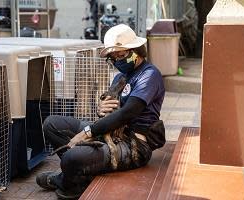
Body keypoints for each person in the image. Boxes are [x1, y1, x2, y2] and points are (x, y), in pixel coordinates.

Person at [36, 24, 166, 199]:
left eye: (121, 55)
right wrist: (100, 109)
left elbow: (127, 113)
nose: (118, 60)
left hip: (133, 144)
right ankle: (77, 176)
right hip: (109, 133)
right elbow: (110, 113)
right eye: (113, 57)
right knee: (51, 124)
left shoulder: (150, 75)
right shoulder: (120, 77)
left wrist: (87, 132)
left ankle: (67, 182)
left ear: (136, 50)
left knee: (71, 157)